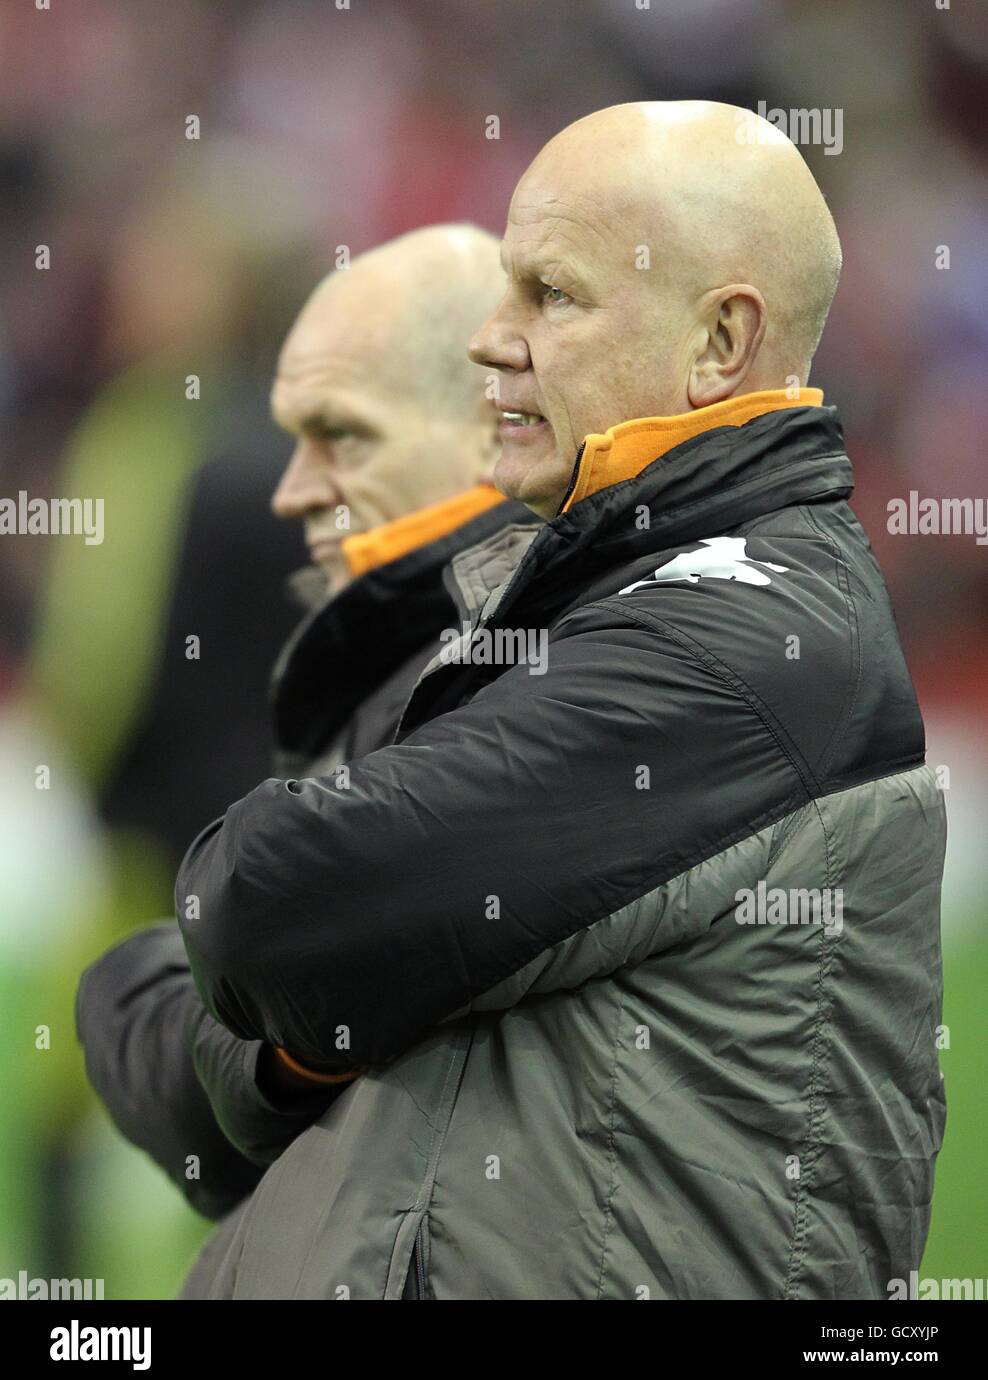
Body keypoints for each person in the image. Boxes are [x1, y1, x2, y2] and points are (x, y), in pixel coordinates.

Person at [176, 101, 946, 1301]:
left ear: (719, 342)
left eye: (551, 295)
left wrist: (260, 1034)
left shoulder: (741, 637)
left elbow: (270, 900)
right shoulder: (624, 586)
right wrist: (275, 1032)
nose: (492, 340)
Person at [75, 223, 530, 1225]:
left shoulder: (154, 431)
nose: (297, 490)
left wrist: (127, 975)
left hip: (174, 824)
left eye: (346, 436)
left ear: (492, 428)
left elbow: (102, 645)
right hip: (232, 814)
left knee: (86, 1116)